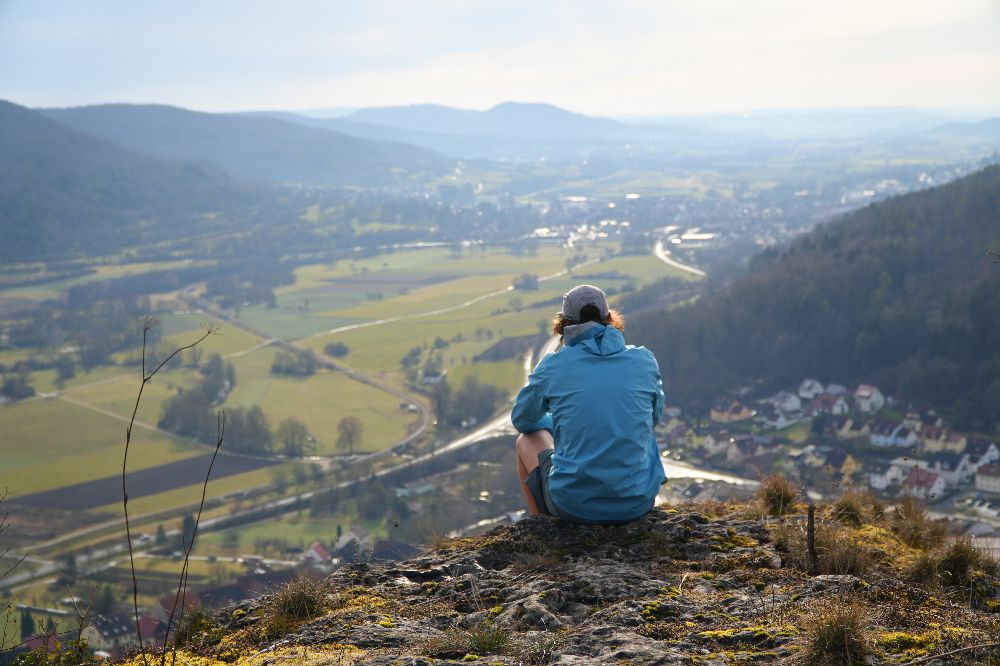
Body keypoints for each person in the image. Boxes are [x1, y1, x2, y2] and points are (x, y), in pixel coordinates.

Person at [512, 284, 666, 524]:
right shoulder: (643, 360)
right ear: (608, 318)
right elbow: (653, 418)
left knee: (526, 439)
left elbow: (522, 419)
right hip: (638, 503)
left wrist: (557, 421)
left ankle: (540, 526)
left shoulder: (554, 365)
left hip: (573, 506)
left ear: (564, 324)